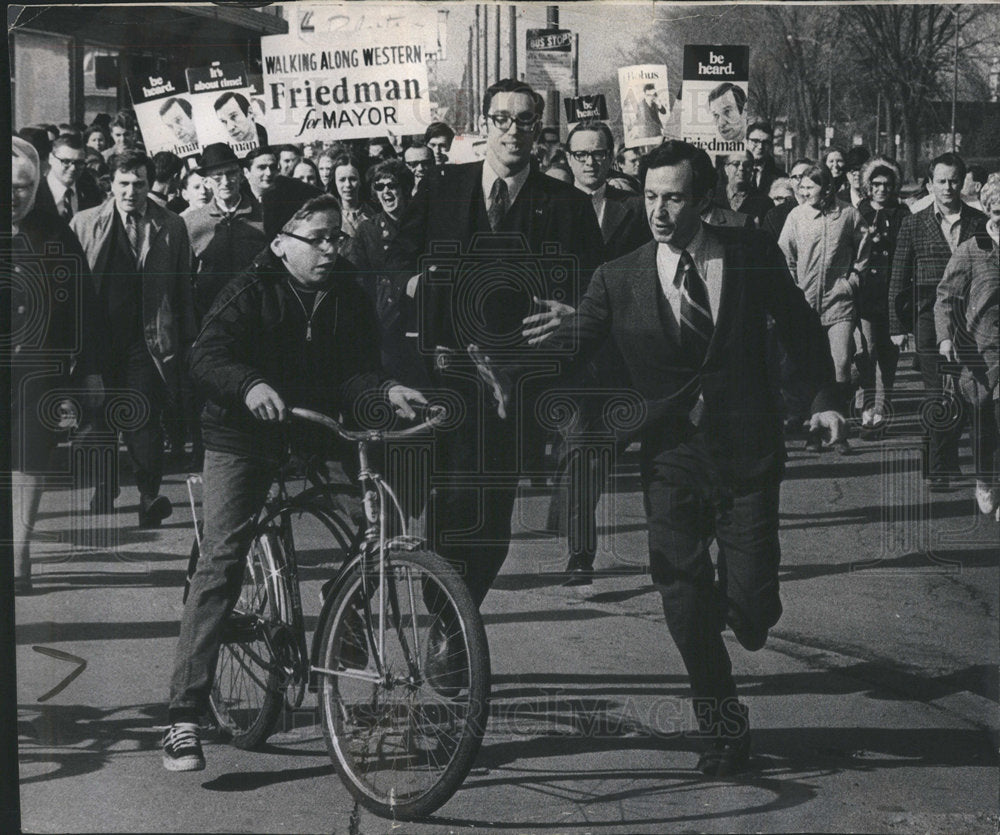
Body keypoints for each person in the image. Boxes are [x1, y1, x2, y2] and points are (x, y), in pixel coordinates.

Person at [505, 139, 844, 777]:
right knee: (684, 604)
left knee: (751, 612)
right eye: (651, 196)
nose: (659, 211)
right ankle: (721, 728)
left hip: (745, 455)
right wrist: (522, 363)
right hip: (669, 456)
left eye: (674, 197)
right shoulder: (621, 273)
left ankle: (745, 603)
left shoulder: (747, 255)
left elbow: (800, 327)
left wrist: (824, 398)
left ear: (704, 199)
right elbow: (581, 341)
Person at [162, 193, 427, 771]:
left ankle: (341, 617)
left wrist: (383, 391)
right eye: (318, 238)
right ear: (281, 243)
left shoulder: (345, 291)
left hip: (312, 426)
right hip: (242, 434)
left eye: (337, 236)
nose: (332, 248)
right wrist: (250, 384)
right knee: (224, 555)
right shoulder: (249, 288)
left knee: (375, 523)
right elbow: (206, 356)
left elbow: (357, 368)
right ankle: (184, 713)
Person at [388, 77, 604, 612]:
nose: (512, 130)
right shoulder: (442, 187)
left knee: (492, 517)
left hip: (515, 382)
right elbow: (395, 260)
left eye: (525, 120)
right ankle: (446, 615)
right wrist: (413, 284)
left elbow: (600, 285)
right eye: (501, 119)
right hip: (442, 371)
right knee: (451, 498)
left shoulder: (567, 205)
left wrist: (576, 313)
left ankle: (453, 616)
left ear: (539, 130)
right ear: (484, 125)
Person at [70, 151, 196, 526]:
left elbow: (182, 290)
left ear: (149, 185)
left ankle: (149, 496)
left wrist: (187, 341)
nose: (131, 191)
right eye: (123, 183)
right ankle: (105, 487)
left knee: (143, 416)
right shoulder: (85, 223)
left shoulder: (171, 225)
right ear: (111, 183)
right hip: (97, 338)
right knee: (99, 415)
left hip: (147, 338)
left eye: (139, 183)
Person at [552, 120, 652, 583]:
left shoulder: (634, 210)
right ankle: (580, 550)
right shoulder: (549, 207)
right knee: (577, 442)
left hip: (621, 349)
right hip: (570, 350)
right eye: (581, 155)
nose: (590, 162)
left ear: (611, 155)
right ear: (568, 159)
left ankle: (572, 501)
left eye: (598, 154)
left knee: (605, 447)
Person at [9, 137, 105, 595]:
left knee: (29, 460)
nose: (14, 196)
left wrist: (89, 373)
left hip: (38, 374)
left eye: (23, 187)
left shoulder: (55, 233)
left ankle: (18, 554)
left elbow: (83, 306)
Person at [888, 152, 986, 490]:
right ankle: (939, 465)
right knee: (939, 390)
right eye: (941, 181)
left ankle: (944, 461)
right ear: (929, 184)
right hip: (928, 316)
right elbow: (898, 278)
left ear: (963, 182)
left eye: (954, 180)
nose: (947, 187)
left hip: (969, 317)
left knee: (961, 390)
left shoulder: (978, 221)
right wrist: (897, 326)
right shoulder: (913, 223)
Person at [779, 163, 869, 453]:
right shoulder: (796, 216)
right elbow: (785, 256)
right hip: (803, 305)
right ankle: (813, 431)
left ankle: (839, 431)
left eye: (810, 188)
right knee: (808, 369)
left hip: (838, 303)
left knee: (841, 363)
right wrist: (791, 290)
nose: (803, 193)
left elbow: (863, 252)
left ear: (827, 188)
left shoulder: (848, 215)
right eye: (801, 188)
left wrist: (851, 282)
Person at [935, 173, 999, 517]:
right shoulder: (972, 249)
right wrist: (945, 337)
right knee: (985, 422)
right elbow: (946, 296)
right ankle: (986, 478)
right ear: (987, 209)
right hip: (979, 350)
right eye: (997, 208)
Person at [182, 143, 267, 323]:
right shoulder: (192, 222)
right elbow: (185, 279)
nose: (226, 182)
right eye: (218, 176)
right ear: (206, 181)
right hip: (211, 316)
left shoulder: (263, 215)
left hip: (256, 314)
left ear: (241, 175)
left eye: (231, 173)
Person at [855, 156, 909, 438]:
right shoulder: (859, 212)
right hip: (865, 294)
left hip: (893, 294)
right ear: (868, 186)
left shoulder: (902, 214)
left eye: (887, 185)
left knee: (888, 357)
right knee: (866, 352)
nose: (881, 190)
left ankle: (880, 411)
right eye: (876, 184)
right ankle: (866, 406)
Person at [35, 134, 104, 220]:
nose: (73, 168)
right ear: (51, 158)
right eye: (66, 162)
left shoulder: (91, 191)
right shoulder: (35, 193)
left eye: (79, 163)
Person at [330, 153, 375, 257]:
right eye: (342, 180)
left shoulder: (373, 214)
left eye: (352, 179)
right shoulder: (329, 216)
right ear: (335, 182)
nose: (347, 185)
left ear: (360, 181)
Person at [761, 158, 813, 241]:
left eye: (809, 176)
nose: (803, 181)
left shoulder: (824, 210)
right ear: (790, 181)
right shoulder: (775, 215)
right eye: (798, 177)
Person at [717, 152, 773, 227]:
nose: (741, 168)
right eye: (736, 164)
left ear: (752, 170)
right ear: (726, 169)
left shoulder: (764, 203)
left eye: (747, 165)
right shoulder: (713, 197)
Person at [745, 122, 784, 194]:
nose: (760, 147)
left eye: (765, 142)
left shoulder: (780, 177)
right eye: (755, 141)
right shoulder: (733, 172)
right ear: (746, 142)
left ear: (770, 146)